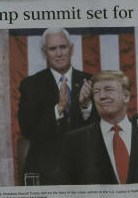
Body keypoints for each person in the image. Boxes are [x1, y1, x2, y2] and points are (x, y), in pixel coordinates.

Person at [60, 70, 138, 184]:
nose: (102, 96)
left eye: (108, 90)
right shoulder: (76, 142)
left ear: (126, 97)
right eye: (96, 92)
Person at [17, 27, 95, 185]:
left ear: (71, 48)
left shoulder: (90, 81)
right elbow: (27, 129)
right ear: (44, 52)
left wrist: (86, 105)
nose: (59, 53)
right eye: (53, 49)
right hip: (46, 170)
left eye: (63, 47)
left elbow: (100, 129)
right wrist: (58, 108)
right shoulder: (31, 85)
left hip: (83, 170)